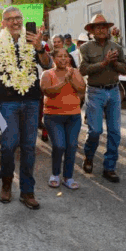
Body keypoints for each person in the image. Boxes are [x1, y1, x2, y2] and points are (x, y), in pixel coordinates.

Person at [0, 6, 52, 209]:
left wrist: (40, 46)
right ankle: (6, 182)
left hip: (32, 100)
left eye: (18, 18)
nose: (15, 22)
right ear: (3, 23)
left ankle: (27, 191)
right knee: (8, 144)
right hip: (6, 102)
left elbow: (48, 65)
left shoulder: (33, 40)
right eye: (10, 19)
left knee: (29, 147)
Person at [79, 14, 126, 183]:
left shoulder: (116, 47)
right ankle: (89, 156)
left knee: (114, 131)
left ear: (108, 29)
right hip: (95, 92)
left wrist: (114, 64)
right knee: (95, 131)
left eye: (103, 26)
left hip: (113, 91)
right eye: (97, 27)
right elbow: (83, 70)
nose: (101, 29)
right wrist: (104, 63)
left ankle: (110, 167)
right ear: (92, 31)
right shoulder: (85, 48)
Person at [41, 47, 86, 190]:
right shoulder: (47, 74)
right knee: (59, 145)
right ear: (53, 59)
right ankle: (55, 174)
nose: (63, 59)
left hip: (73, 115)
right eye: (59, 56)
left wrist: (71, 78)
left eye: (65, 56)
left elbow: (82, 89)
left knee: (71, 146)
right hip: (53, 116)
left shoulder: (75, 72)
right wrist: (64, 81)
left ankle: (68, 177)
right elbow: (48, 91)